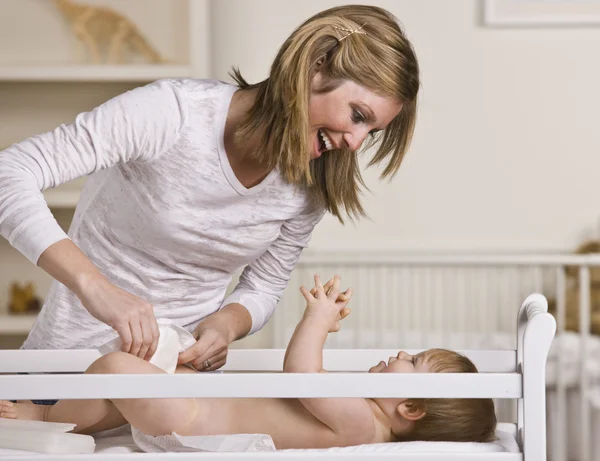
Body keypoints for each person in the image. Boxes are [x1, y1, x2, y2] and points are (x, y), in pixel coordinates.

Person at [0, 5, 420, 375]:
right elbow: (9, 174)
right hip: (64, 375)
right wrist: (95, 288)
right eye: (359, 115)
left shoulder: (309, 185)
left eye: (372, 131)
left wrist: (226, 324)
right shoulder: (173, 114)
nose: (356, 143)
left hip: (177, 388)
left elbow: (264, 287)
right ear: (316, 65)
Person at [0, 275, 496, 449]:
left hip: (190, 422)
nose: (399, 354)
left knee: (113, 371)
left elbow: (303, 375)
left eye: (412, 361)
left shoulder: (364, 427)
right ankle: (77, 421)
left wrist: (318, 321)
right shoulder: (363, 409)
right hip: (193, 402)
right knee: (136, 382)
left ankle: (44, 417)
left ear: (410, 408)